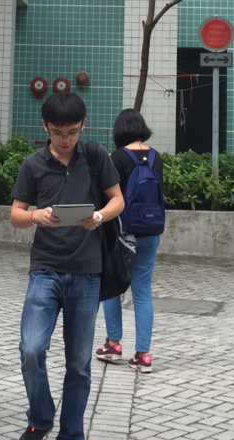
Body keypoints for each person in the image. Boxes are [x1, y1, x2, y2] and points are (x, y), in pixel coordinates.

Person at [10, 92, 124, 440]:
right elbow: (15, 215)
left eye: (72, 132)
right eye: (58, 132)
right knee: (30, 349)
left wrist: (100, 217)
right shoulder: (33, 164)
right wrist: (37, 215)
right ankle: (39, 419)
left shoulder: (95, 157)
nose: (65, 139)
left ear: (83, 126)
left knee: (78, 364)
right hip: (45, 270)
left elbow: (117, 201)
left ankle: (72, 438)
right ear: (45, 127)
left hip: (87, 274)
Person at [95, 109, 163, 373]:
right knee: (142, 292)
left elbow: (109, 195)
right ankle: (143, 355)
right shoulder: (156, 157)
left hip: (122, 233)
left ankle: (113, 344)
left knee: (112, 284)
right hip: (151, 232)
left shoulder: (117, 157)